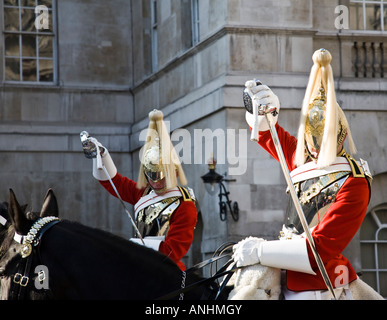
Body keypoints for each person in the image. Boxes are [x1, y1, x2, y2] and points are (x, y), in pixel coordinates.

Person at [233, 48, 382, 299]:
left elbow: (319, 249)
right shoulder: (302, 160)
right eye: (309, 140)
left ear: (341, 136)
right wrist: (261, 111)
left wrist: (261, 251)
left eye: (320, 142)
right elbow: (270, 135)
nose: (313, 149)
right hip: (283, 274)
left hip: (321, 284)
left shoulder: (354, 181)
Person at [85, 109, 197, 271]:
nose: (157, 183)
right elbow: (115, 183)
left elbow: (172, 252)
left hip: (167, 272)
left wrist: (131, 246)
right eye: (152, 176)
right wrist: (101, 155)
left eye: (162, 176)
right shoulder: (143, 193)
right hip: (139, 263)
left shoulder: (184, 205)